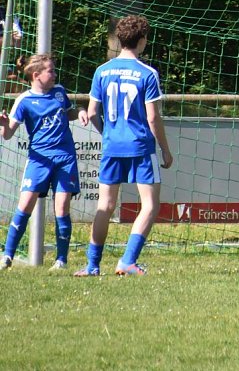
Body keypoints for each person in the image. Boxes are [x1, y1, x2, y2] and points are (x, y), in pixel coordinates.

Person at [75, 15, 173, 277]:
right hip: (140, 147)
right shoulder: (148, 73)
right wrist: (164, 148)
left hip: (112, 147)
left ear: (119, 39)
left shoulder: (102, 71)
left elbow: (92, 113)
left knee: (105, 206)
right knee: (149, 205)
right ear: (142, 41)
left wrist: (109, 134)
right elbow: (152, 117)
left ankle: (92, 265)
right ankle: (127, 261)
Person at [0, 54, 88, 270]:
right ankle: (7, 256)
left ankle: (61, 260)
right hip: (39, 159)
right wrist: (3, 124)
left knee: (62, 207)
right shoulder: (24, 101)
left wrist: (80, 111)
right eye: (51, 71)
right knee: (25, 205)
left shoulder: (59, 92)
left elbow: (68, 113)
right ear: (36, 75)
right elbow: (8, 134)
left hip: (65, 158)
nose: (55, 74)